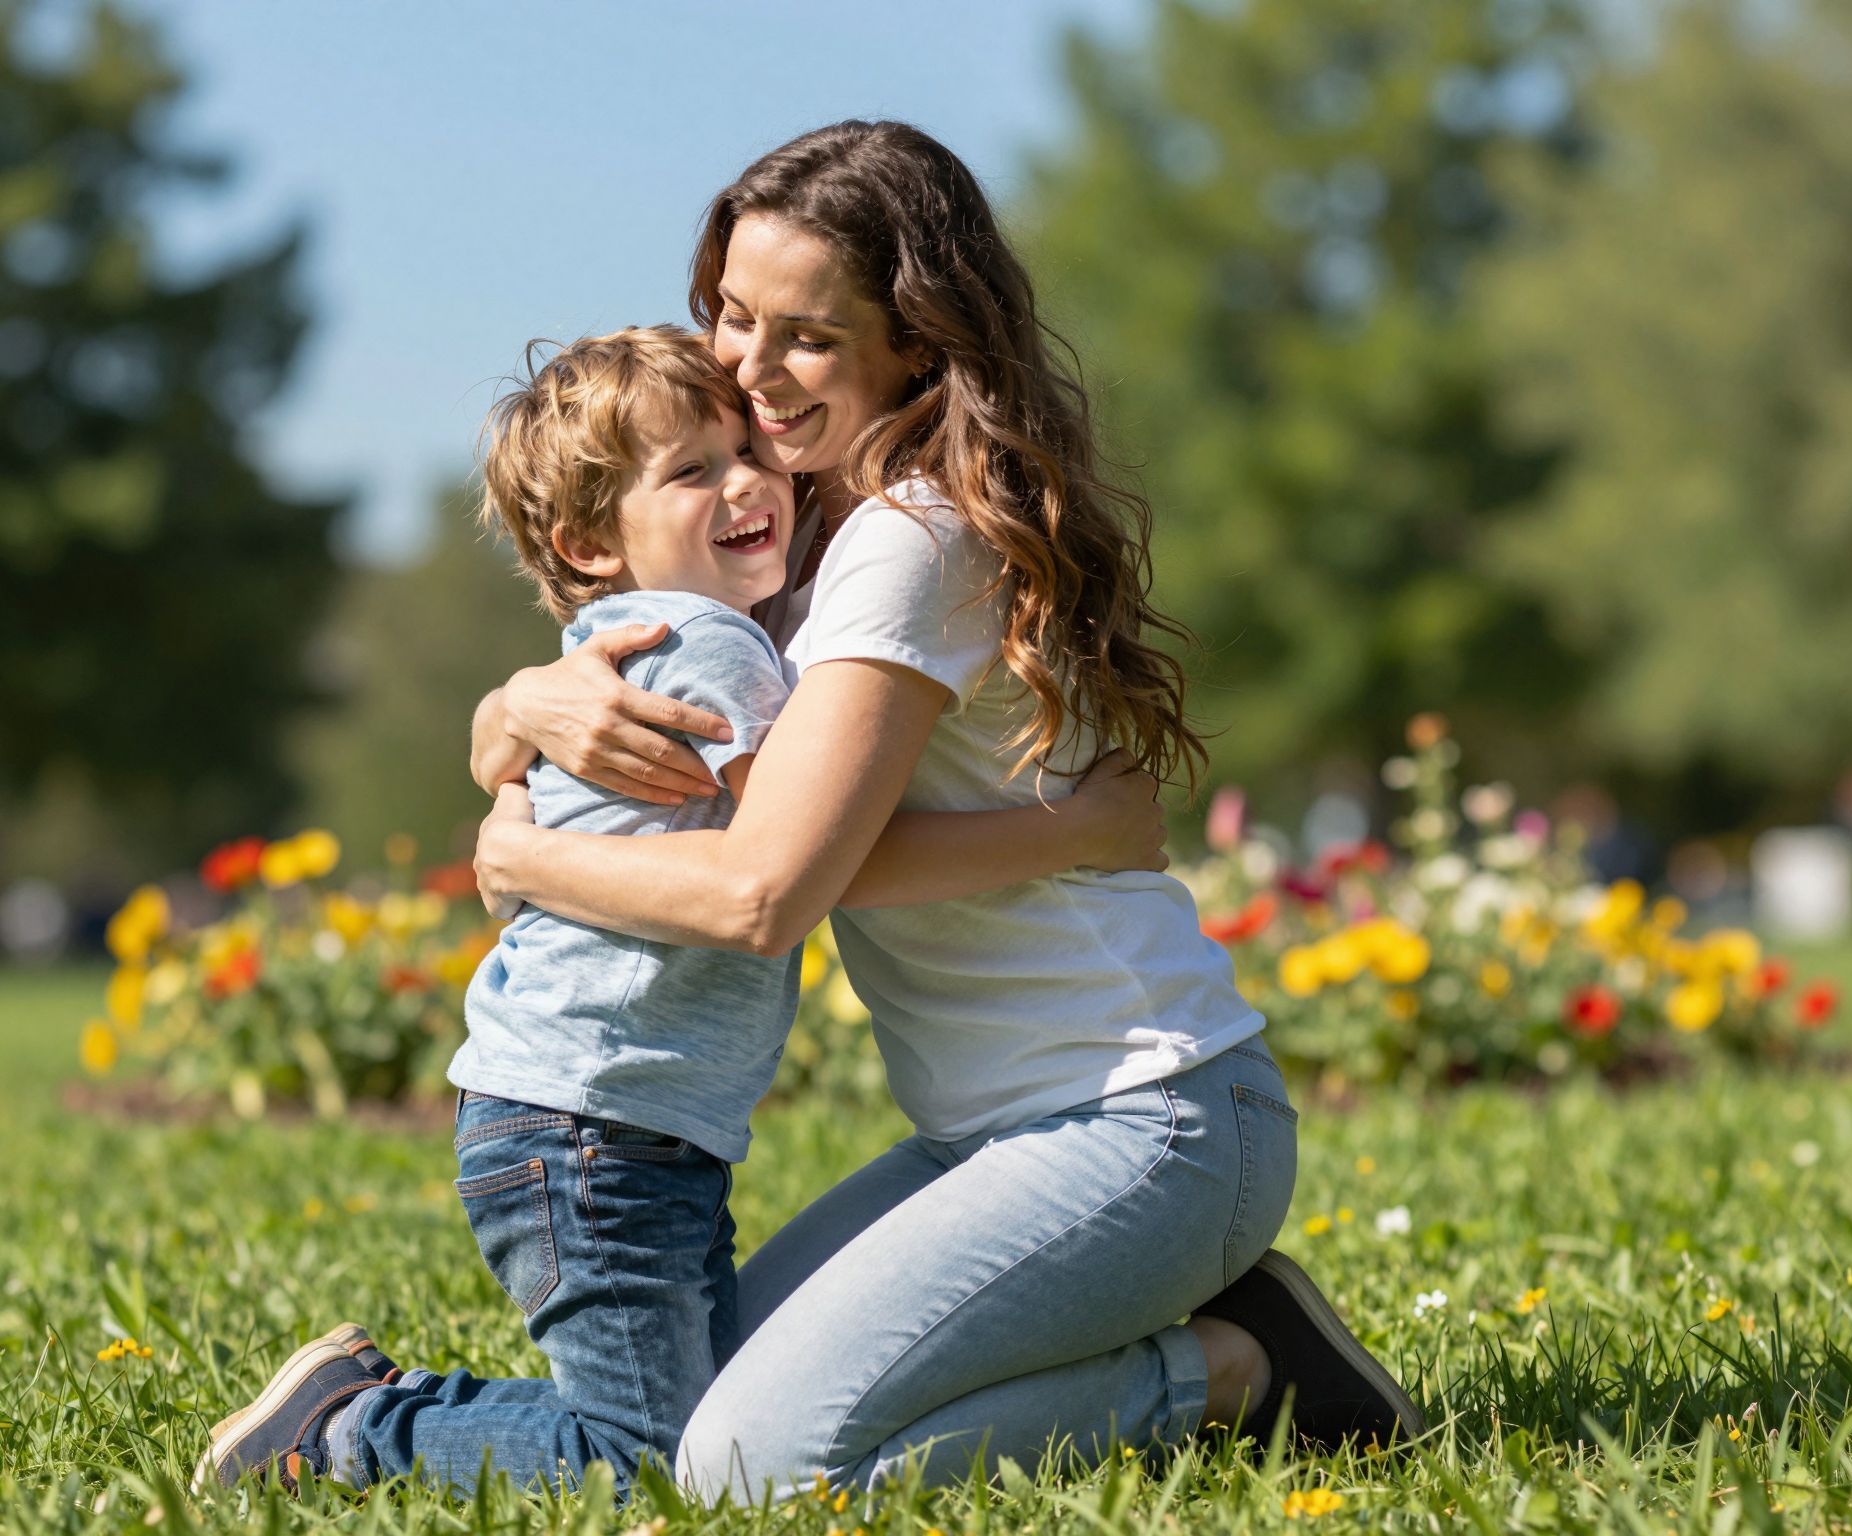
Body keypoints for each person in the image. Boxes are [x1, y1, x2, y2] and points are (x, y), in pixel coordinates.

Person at [469, 121, 1423, 1504]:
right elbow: (773, 819)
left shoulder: (908, 541)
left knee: (746, 1470)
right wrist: (521, 702)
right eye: (733, 314)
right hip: (983, 1139)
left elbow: (765, 888)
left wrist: (519, 854)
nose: (748, 366)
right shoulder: (789, 532)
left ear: (915, 344)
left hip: (1142, 1117)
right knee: (694, 1414)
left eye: (808, 336)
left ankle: (1235, 1369)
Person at [192, 327, 1165, 1498]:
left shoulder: (635, 641)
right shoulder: (707, 649)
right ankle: (351, 1429)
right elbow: (808, 856)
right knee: (651, 1459)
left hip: (607, 1117)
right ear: (586, 543)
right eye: (692, 472)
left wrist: (507, 720)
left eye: (743, 453)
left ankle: (361, 1409)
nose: (746, 483)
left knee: (701, 1417)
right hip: (595, 1126)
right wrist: (1078, 828)